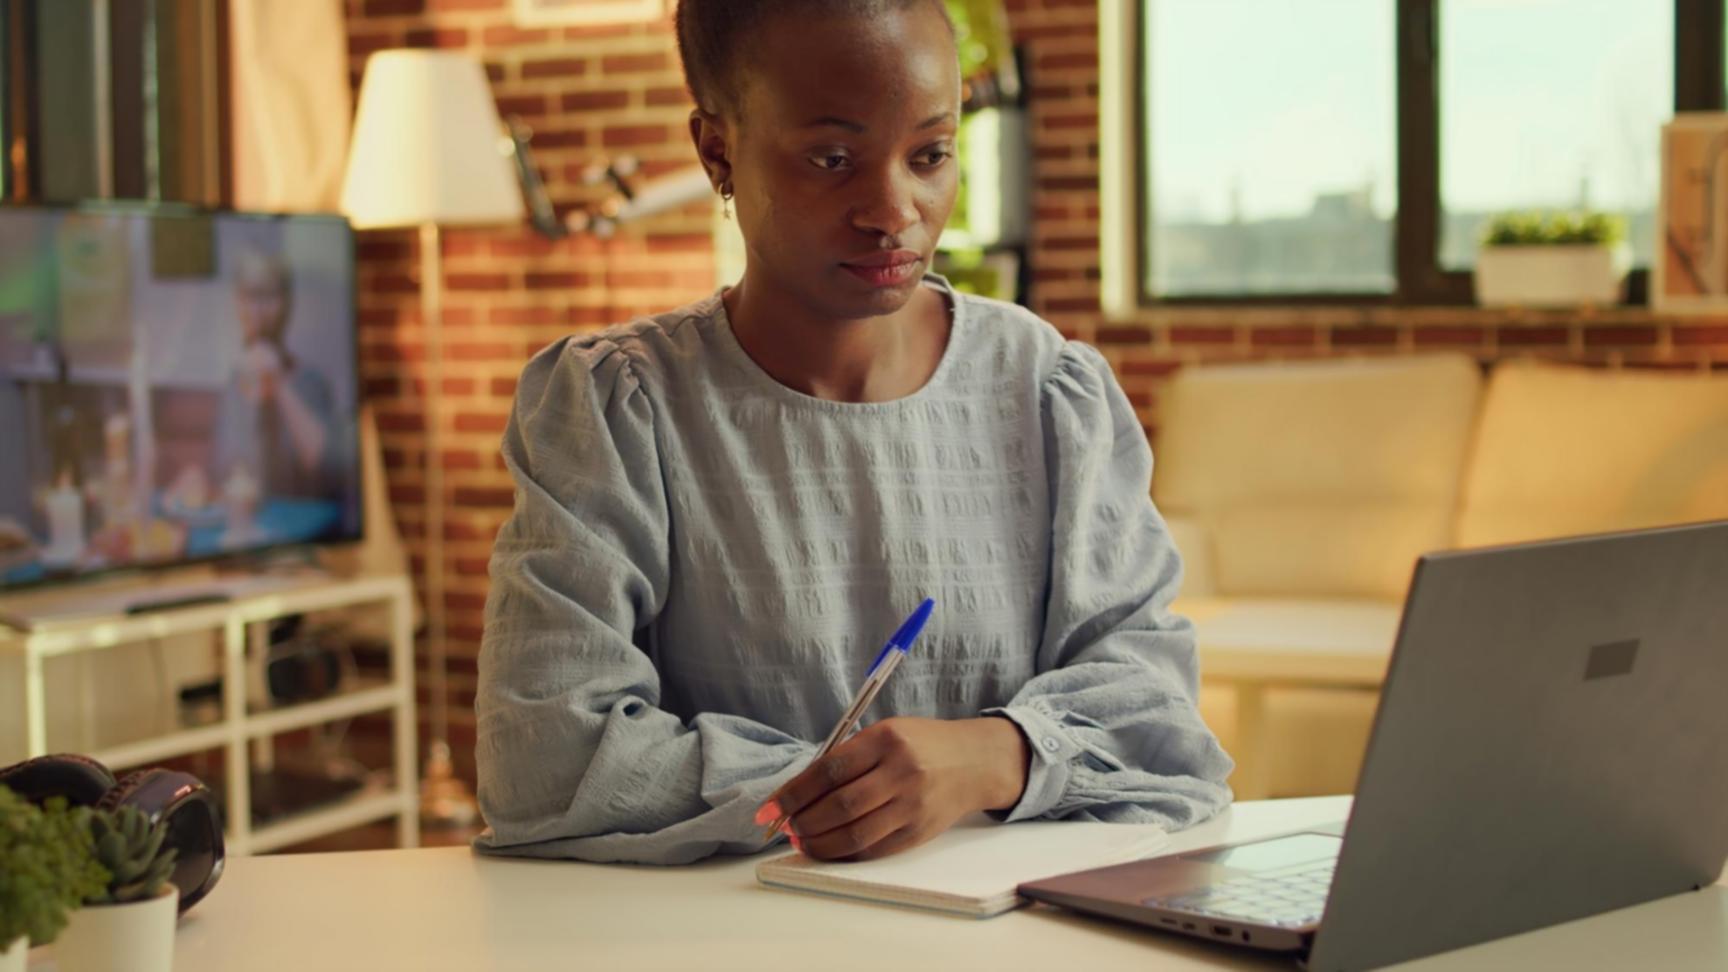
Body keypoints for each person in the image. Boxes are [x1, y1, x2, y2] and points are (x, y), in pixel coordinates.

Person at [473, 0, 1233, 867]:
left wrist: (991, 757)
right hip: (720, 927)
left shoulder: (1045, 390)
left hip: (1013, 926)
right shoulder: (621, 409)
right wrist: (863, 788)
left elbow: (1157, 718)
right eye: (832, 160)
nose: (893, 210)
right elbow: (544, 760)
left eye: (930, 155)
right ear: (717, 151)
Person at [210, 248, 341, 500]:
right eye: (248, 296)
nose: (257, 311)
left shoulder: (312, 382)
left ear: (287, 304)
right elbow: (223, 475)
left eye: (268, 296)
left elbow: (324, 469)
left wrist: (278, 382)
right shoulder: (233, 384)